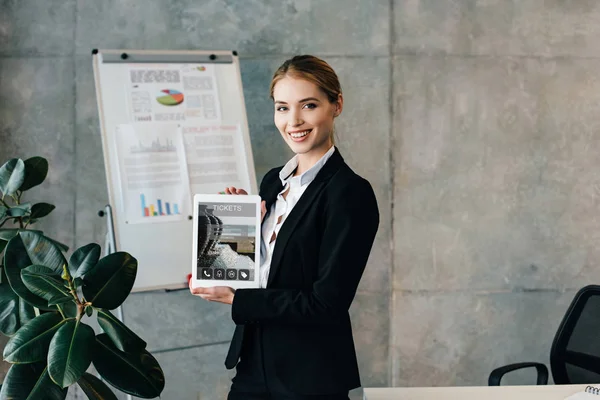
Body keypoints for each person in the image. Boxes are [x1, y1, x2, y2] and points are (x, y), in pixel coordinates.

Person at [189, 55, 380, 400]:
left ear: (336, 105)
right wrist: (234, 232)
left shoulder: (349, 193)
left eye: (308, 105)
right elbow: (266, 275)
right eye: (282, 108)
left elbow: (326, 304)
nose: (294, 121)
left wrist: (238, 301)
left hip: (309, 376)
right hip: (253, 365)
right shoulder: (272, 183)